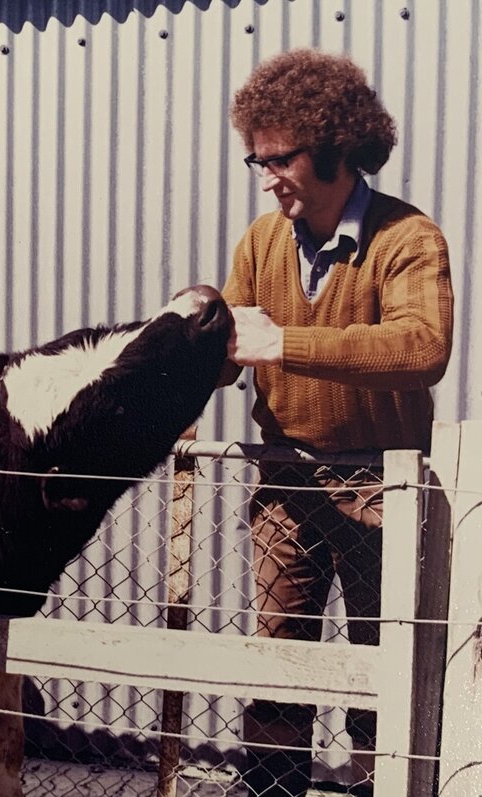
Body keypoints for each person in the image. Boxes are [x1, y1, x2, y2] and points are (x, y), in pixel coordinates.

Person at [220, 49, 454, 796]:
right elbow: (228, 348)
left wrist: (283, 343)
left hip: (382, 488)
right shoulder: (260, 242)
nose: (266, 178)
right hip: (287, 480)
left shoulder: (407, 238)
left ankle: (374, 787)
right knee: (278, 661)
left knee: (378, 666)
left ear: (333, 147)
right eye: (256, 160)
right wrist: (187, 347)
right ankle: (270, 787)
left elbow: (421, 347)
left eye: (278, 159)